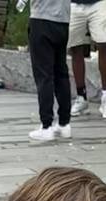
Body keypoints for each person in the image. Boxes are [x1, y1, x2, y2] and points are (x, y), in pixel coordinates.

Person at [27, 0, 73, 142]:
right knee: (61, 73)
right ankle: (64, 123)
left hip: (41, 18)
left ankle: (46, 126)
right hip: (63, 21)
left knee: (44, 76)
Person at [69, 0, 106, 118]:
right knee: (75, 47)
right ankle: (81, 97)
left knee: (104, 45)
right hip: (74, 4)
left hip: (99, 3)